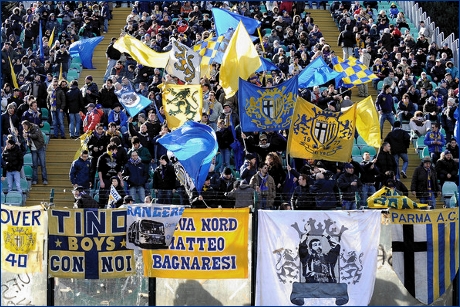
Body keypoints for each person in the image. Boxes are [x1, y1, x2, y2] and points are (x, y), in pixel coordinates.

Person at [21, 120, 48, 185]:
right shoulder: (25, 131)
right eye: (23, 126)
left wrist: (28, 135)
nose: (24, 127)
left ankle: (45, 179)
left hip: (40, 147)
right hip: (33, 149)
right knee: (34, 165)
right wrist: (25, 138)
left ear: (27, 125)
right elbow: (27, 141)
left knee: (42, 164)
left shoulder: (35, 127)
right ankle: (35, 179)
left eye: (24, 126)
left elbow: (36, 136)